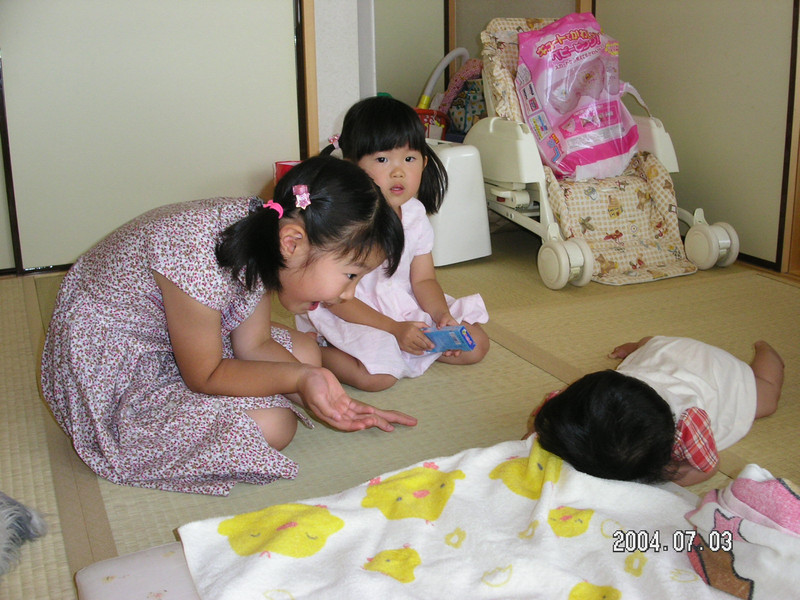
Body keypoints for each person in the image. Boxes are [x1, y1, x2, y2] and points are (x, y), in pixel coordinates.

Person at [40, 155, 417, 496]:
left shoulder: (268, 228)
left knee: (305, 354)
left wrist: (335, 401)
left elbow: (254, 345)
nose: (349, 294)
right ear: (292, 244)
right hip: (112, 360)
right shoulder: (197, 259)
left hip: (178, 331)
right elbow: (205, 376)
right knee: (276, 424)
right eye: (350, 275)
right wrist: (301, 379)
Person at [296, 96, 490, 391]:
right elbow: (334, 299)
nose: (398, 172)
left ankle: (408, 347)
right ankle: (315, 348)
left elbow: (423, 280)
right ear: (351, 167)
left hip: (401, 304)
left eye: (409, 159)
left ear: (424, 162)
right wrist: (393, 329)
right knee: (378, 378)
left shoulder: (414, 215)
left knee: (475, 344)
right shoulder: (346, 222)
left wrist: (441, 317)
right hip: (351, 311)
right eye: (382, 160)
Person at [526, 336, 783, 486]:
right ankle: (640, 345)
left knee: (766, 398)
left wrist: (675, 478)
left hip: (716, 372)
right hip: (664, 351)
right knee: (652, 344)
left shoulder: (688, 425)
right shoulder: (573, 408)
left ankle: (767, 352)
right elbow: (545, 420)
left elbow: (708, 468)